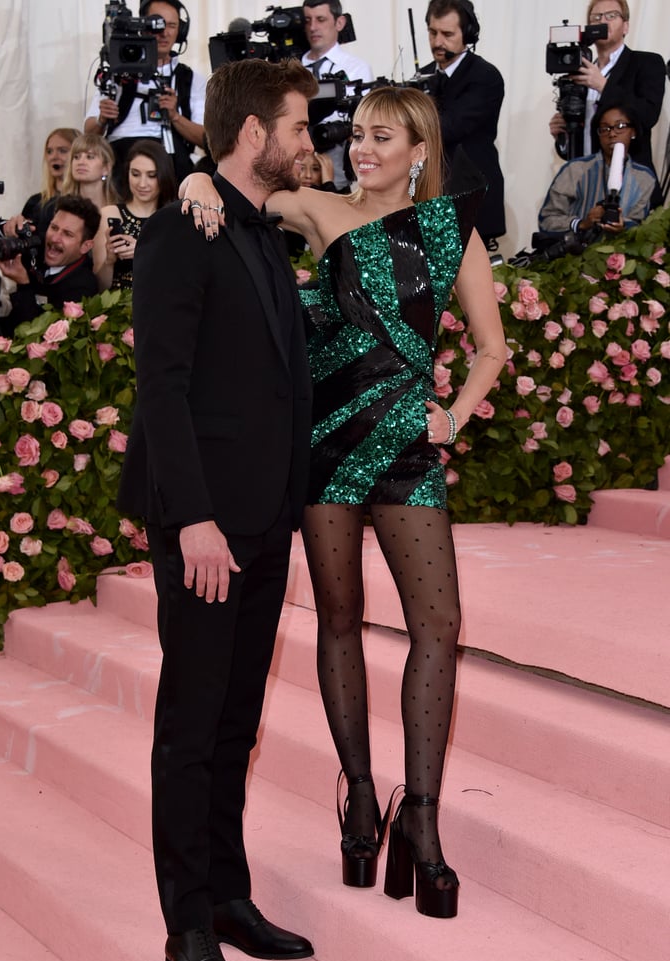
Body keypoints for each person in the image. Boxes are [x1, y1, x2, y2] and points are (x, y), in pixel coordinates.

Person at [182, 84, 506, 918]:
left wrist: (455, 412)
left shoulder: (449, 230)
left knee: (439, 625)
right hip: (324, 447)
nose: (363, 149)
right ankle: (360, 797)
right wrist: (190, 182)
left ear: (419, 151)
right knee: (338, 621)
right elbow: (234, 183)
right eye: (356, 134)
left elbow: (491, 348)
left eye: (382, 137)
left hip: (408, 448)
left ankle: (422, 823)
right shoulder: (318, 208)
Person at [116, 58, 317, 961]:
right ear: (251, 135)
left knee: (238, 724)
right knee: (191, 729)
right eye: (298, 124)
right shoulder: (178, 233)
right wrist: (192, 515)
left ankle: (229, 894)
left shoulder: (265, 233)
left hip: (265, 521)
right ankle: (185, 922)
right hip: (204, 526)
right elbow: (161, 385)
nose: (309, 141)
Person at [84, 0, 206, 189]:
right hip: (120, 157)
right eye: (156, 24)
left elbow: (207, 140)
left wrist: (175, 116)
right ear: (142, 26)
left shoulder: (191, 79)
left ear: (180, 32)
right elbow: (88, 134)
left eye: (172, 25)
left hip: (170, 157)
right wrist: (102, 119)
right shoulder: (117, 73)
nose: (164, 32)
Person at [420, 0, 506, 249]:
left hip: (471, 196)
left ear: (467, 35)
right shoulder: (423, 76)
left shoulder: (485, 76)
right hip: (428, 196)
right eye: (433, 32)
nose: (437, 42)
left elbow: (450, 127)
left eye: (447, 34)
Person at [548, 0, 666, 182]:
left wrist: (603, 86)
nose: (603, 21)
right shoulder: (577, 75)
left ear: (625, 26)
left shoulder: (646, 63)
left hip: (630, 183)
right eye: (596, 17)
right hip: (585, 183)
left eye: (611, 16)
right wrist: (562, 136)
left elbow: (648, 115)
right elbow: (576, 147)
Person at [538, 102, 656, 236]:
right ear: (598, 135)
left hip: (621, 253)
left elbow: (640, 224)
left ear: (633, 131)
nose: (612, 134)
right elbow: (547, 220)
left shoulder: (644, 178)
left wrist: (623, 226)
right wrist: (582, 223)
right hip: (576, 252)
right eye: (605, 129)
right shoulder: (575, 170)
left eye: (620, 126)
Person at [0, 195, 100, 329]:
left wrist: (23, 284)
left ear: (85, 246)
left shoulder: (84, 286)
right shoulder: (32, 250)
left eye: (67, 234)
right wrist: (6, 230)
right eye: (54, 228)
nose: (55, 238)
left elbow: (40, 336)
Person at [301, 0, 373, 190]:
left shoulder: (357, 69)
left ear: (339, 23)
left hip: (336, 159)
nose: (313, 27)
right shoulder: (291, 66)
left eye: (321, 19)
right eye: (307, 20)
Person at [92, 139, 176, 290]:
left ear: (164, 176)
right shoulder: (109, 214)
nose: (142, 184)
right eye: (135, 174)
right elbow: (100, 288)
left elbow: (180, 278)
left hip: (159, 306)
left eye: (151, 175)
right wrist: (109, 260)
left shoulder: (173, 219)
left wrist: (143, 252)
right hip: (115, 307)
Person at [21, 127, 82, 225]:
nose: (54, 157)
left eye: (62, 151)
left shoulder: (87, 202)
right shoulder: (35, 202)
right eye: (49, 151)